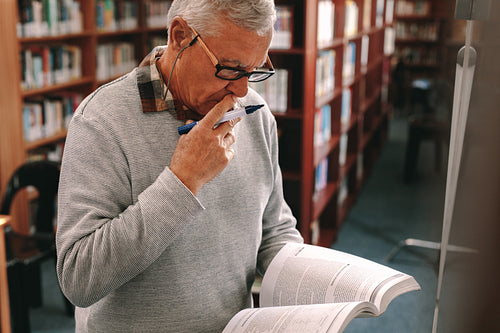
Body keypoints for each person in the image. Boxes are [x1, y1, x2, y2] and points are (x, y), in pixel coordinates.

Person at [55, 0, 303, 331]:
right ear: (180, 35)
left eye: (255, 69)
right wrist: (183, 181)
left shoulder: (255, 114)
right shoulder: (101, 121)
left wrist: (306, 282)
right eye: (230, 69)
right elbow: (79, 279)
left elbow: (275, 229)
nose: (242, 90)